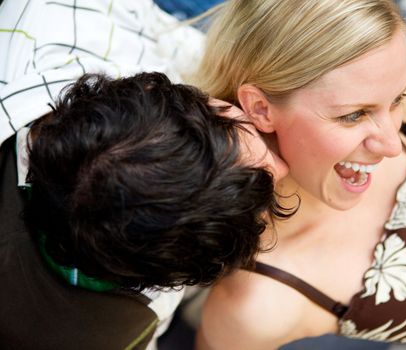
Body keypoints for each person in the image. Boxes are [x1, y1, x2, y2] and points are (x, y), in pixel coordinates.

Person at [191, 0, 406, 349]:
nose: (392, 145)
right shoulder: (259, 305)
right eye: (353, 116)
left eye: (398, 99)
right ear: (260, 108)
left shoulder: (403, 75)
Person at [0, 1, 288, 349]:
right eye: (262, 187)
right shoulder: (126, 333)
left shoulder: (59, 15)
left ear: (152, 87)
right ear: (179, 273)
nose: (284, 165)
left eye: (230, 117)